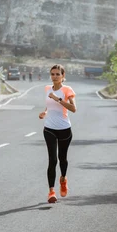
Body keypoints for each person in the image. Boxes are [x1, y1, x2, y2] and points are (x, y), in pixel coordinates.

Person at [38, 64, 77, 203]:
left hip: (64, 129)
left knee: (62, 159)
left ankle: (63, 179)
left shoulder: (67, 90)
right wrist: (45, 112)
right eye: (52, 74)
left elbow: (73, 109)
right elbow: (49, 106)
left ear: (63, 76)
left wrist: (58, 99)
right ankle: (51, 192)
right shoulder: (47, 89)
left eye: (57, 74)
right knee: (52, 160)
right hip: (49, 128)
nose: (54, 77)